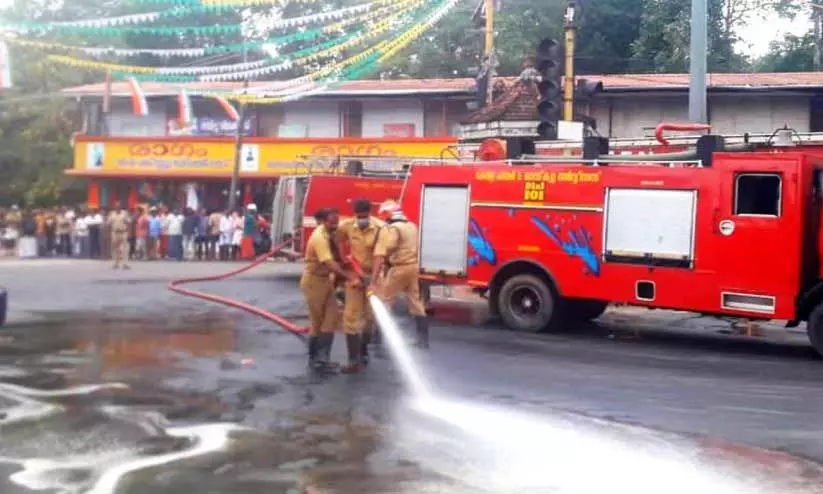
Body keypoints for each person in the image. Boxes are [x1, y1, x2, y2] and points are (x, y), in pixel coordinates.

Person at [301, 208, 355, 371]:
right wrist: (348, 276)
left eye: (336, 222)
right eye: (332, 223)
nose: (335, 226)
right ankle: (315, 359)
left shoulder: (330, 234)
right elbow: (329, 263)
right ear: (324, 221)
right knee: (317, 321)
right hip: (314, 281)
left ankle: (323, 358)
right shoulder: (320, 238)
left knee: (331, 318)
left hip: (325, 281)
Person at [371, 200, 430, 349]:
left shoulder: (394, 228)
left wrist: (379, 253)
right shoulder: (411, 225)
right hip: (412, 267)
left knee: (385, 301)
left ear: (388, 214)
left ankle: (378, 338)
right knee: (415, 302)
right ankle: (423, 340)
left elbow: (388, 247)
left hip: (398, 268)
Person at [336, 199, 384, 372]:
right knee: (351, 317)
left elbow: (379, 256)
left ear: (370, 214)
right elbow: (338, 239)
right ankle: (353, 360)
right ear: (354, 214)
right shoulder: (347, 226)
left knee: (370, 318)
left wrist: (372, 282)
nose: (361, 219)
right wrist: (344, 260)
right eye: (359, 216)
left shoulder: (380, 228)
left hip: (373, 275)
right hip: (356, 276)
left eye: (365, 216)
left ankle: (363, 352)